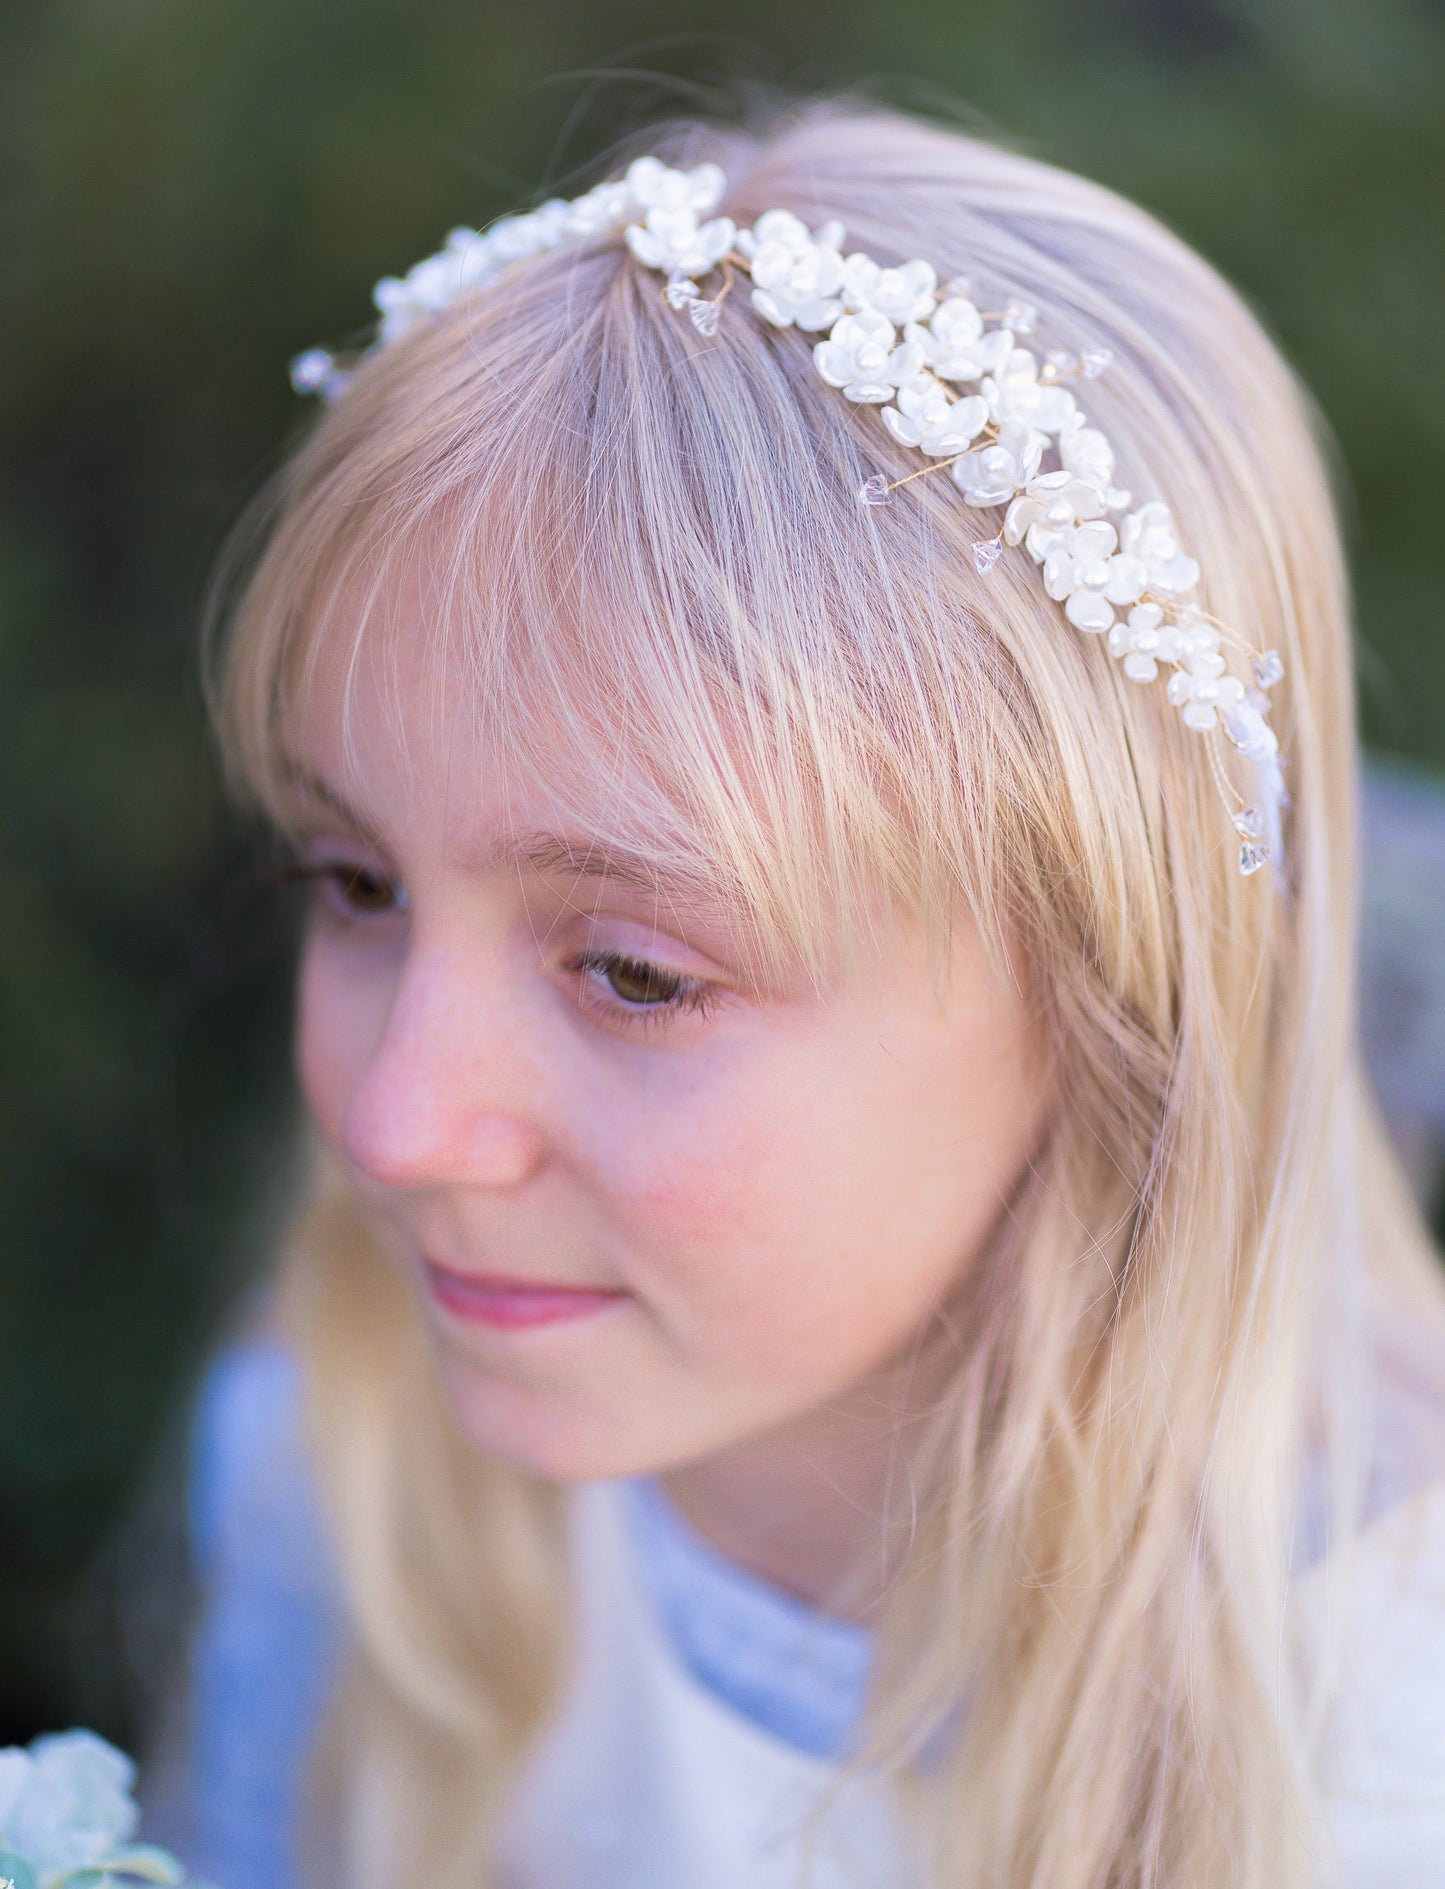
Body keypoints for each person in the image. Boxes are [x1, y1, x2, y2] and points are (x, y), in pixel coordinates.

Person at [137, 95, 1445, 1889]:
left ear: (1118, 1008)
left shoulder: (1390, 1724)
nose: (392, 1120)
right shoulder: (358, 1465)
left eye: (633, 971)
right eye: (354, 882)